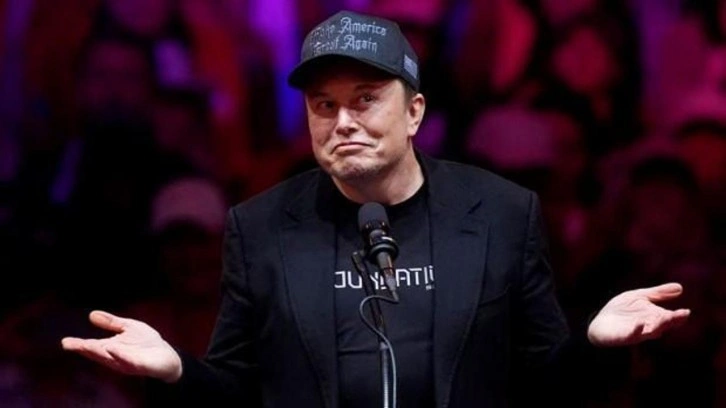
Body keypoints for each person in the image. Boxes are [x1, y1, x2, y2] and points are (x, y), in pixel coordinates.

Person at [62, 10, 690, 407]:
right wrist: (176, 371)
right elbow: (238, 390)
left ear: (414, 112)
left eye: (365, 99)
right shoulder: (258, 228)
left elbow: (544, 382)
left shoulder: (501, 213)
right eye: (324, 105)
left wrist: (594, 344)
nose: (343, 122)